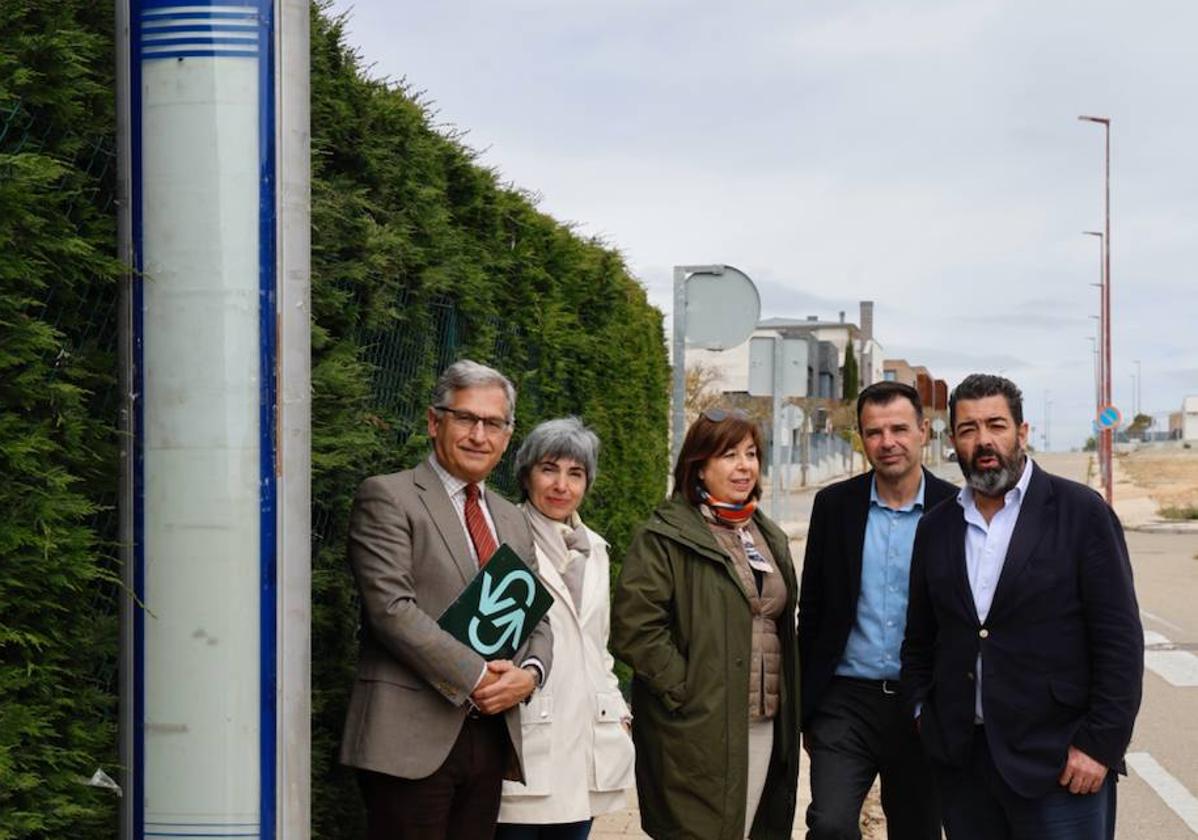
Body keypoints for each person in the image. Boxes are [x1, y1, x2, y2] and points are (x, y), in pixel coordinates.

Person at [902, 373, 1143, 840]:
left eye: (996, 425)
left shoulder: (1080, 513)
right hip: (964, 763)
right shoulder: (937, 527)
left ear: (1023, 432)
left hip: (1060, 766)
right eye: (969, 429)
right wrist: (921, 713)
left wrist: (1099, 746)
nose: (984, 440)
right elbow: (920, 636)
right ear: (953, 440)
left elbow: (1119, 641)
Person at [340, 359, 554, 839]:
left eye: (494, 423)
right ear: (435, 422)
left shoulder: (511, 518)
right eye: (466, 418)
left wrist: (530, 676)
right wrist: (479, 675)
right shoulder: (389, 497)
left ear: (507, 435)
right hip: (408, 739)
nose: (480, 435)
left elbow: (536, 616)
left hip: (491, 736)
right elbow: (391, 611)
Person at [612, 408, 800, 840]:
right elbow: (635, 627)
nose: (743, 466)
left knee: (749, 827)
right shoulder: (665, 535)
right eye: (728, 454)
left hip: (761, 721)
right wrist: (689, 690)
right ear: (699, 466)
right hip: (696, 726)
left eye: (751, 454)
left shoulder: (766, 534)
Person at [798, 381, 955, 839]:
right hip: (845, 702)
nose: (888, 443)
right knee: (830, 825)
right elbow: (814, 610)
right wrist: (808, 709)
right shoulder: (834, 507)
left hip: (921, 703)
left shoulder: (954, 509)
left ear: (924, 431)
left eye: (899, 429)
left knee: (917, 830)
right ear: (862, 439)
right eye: (874, 432)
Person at [496, 417, 636, 840]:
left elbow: (599, 643)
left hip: (590, 738)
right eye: (549, 469)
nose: (562, 485)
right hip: (529, 734)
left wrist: (618, 710)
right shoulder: (505, 540)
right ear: (526, 475)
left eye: (575, 473)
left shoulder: (595, 549)